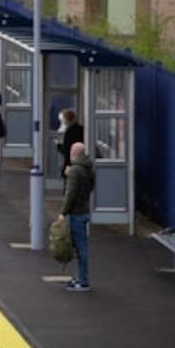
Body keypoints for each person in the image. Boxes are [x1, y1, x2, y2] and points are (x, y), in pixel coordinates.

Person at [60, 142, 96, 292]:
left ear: (74, 153)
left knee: (80, 248)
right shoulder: (89, 169)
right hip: (84, 209)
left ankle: (83, 280)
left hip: (76, 213)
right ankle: (80, 276)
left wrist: (63, 212)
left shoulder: (75, 171)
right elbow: (90, 187)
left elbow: (71, 193)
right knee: (80, 247)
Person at [56, 108, 85, 181]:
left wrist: (58, 145)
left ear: (66, 120)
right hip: (81, 162)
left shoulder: (69, 132)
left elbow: (66, 150)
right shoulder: (82, 129)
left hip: (70, 163)